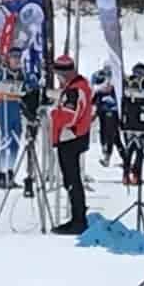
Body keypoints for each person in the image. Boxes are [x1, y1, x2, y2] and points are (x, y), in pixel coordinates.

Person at [49, 54, 92, 235]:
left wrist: (53, 114)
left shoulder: (75, 90)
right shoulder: (75, 87)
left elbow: (69, 116)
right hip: (71, 137)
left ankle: (79, 220)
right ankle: (77, 217)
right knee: (71, 180)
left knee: (72, 180)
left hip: (72, 138)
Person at [0, 45, 39, 189]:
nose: (17, 61)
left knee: (16, 143)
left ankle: (10, 172)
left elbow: (31, 85)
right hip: (5, 107)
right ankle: (1, 174)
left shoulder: (23, 74)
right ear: (8, 59)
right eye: (14, 58)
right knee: (5, 142)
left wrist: (33, 84)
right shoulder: (3, 72)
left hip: (17, 108)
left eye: (19, 58)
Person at [91, 60, 124, 167]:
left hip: (114, 109)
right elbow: (93, 90)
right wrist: (101, 87)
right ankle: (125, 156)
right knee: (113, 136)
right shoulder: (98, 76)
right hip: (102, 109)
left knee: (111, 133)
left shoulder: (119, 78)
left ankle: (107, 156)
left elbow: (121, 91)